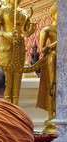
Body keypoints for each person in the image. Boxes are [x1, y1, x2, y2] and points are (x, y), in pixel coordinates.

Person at [0, 0, 36, 105]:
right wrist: (7, 35)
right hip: (6, 47)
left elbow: (25, 33)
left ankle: (15, 108)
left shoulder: (24, 13)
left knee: (17, 76)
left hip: (20, 48)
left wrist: (31, 30)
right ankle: (6, 109)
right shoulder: (2, 11)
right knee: (7, 77)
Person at [36, 2, 57, 133]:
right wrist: (57, 42)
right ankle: (50, 115)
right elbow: (42, 49)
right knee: (52, 85)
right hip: (52, 58)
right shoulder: (47, 30)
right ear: (54, 14)